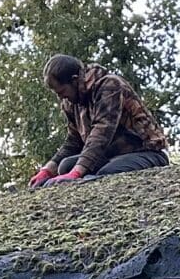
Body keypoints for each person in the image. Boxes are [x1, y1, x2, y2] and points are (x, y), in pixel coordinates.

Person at [30, 54, 170, 186]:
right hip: (112, 155)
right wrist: (47, 170)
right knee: (65, 166)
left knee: (106, 174)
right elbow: (73, 142)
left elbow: (102, 132)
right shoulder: (72, 103)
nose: (61, 98)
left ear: (74, 80)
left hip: (144, 152)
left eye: (62, 92)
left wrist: (77, 173)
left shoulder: (110, 86)